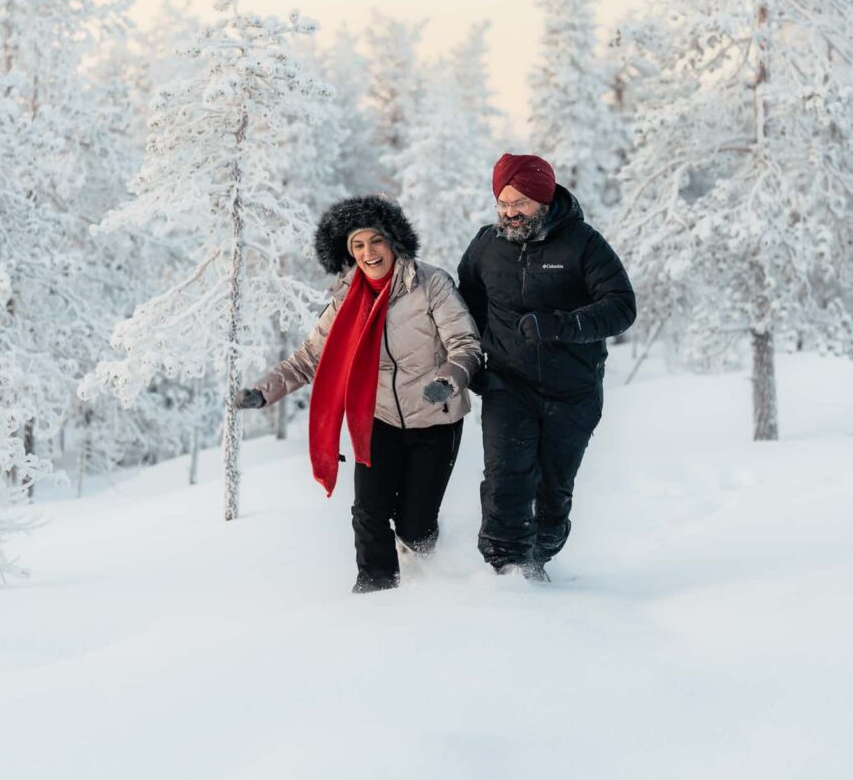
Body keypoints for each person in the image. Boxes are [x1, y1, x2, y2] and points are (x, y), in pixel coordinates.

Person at [234, 195, 481, 593]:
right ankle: (374, 591)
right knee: (368, 512)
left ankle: (425, 569)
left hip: (435, 419)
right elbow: (310, 357)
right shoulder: (346, 298)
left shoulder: (430, 284)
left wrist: (448, 380)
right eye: (358, 245)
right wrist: (263, 392)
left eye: (376, 241)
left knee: (415, 525)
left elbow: (465, 345)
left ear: (394, 240)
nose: (368, 253)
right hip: (377, 418)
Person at [458, 153, 636, 581]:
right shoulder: (487, 245)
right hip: (508, 382)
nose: (510, 212)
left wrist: (561, 326)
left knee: (552, 494)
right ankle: (505, 573)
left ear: (543, 198)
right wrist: (477, 358)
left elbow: (621, 307)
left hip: (571, 390)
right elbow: (465, 307)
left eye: (519, 202)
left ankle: (536, 564)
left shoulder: (583, 244)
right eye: (503, 202)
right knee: (505, 478)